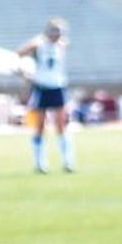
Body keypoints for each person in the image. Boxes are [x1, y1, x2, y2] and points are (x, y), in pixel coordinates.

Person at [16, 17, 75, 173]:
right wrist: (25, 72)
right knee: (40, 126)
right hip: (41, 87)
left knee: (61, 126)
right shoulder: (38, 44)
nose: (57, 34)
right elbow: (20, 52)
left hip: (58, 86)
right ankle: (40, 163)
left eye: (60, 31)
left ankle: (68, 161)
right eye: (54, 30)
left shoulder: (62, 44)